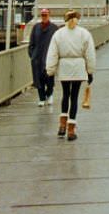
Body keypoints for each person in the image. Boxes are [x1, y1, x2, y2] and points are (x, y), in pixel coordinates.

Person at [46, 9, 96, 141]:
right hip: (78, 67)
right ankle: (71, 129)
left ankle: (62, 125)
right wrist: (90, 71)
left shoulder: (58, 34)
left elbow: (52, 53)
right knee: (74, 98)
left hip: (64, 67)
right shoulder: (84, 34)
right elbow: (90, 54)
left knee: (65, 95)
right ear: (77, 19)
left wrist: (50, 71)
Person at [28, 8, 58, 106]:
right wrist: (32, 55)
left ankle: (49, 95)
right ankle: (41, 98)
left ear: (49, 15)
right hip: (37, 58)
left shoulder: (54, 28)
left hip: (49, 57)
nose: (44, 16)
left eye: (46, 15)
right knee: (38, 79)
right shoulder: (36, 27)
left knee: (49, 78)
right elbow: (31, 42)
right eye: (43, 15)